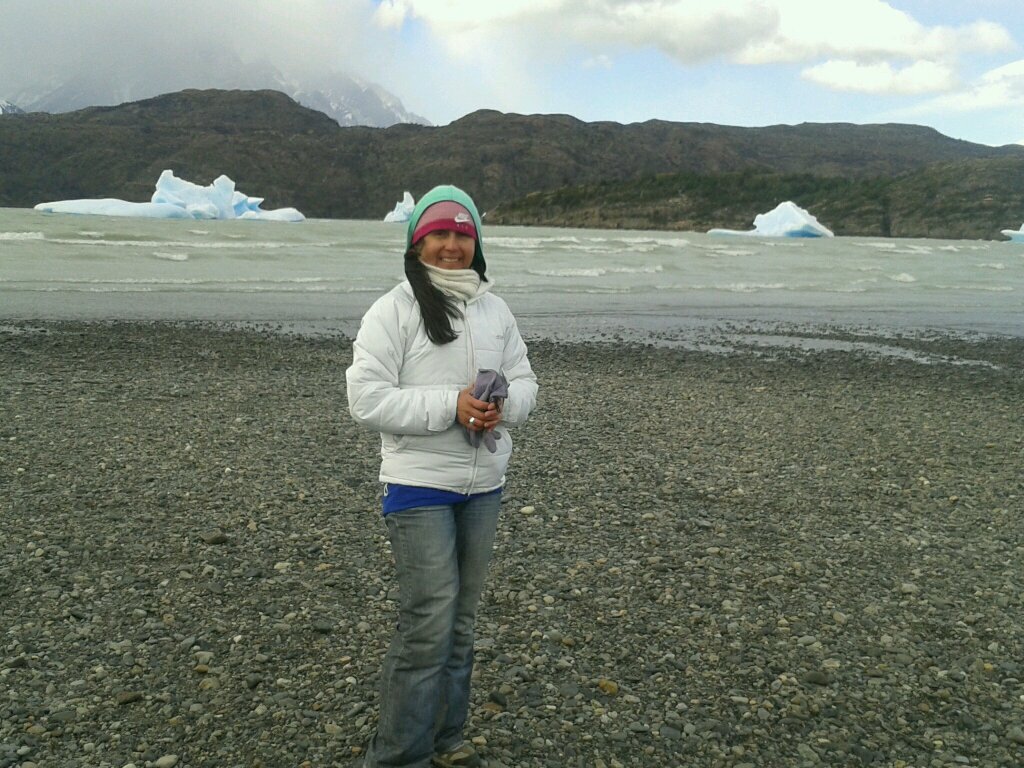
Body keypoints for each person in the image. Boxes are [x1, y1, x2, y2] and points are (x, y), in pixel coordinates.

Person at [346, 184, 538, 768]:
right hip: (419, 485)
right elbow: (365, 398)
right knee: (428, 622)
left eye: (462, 234)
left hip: (484, 485)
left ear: (475, 243)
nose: (451, 245)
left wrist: (504, 405)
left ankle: (447, 741)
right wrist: (450, 406)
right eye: (439, 233)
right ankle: (399, 756)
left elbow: (527, 382)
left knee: (461, 623)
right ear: (417, 241)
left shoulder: (494, 309)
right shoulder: (394, 310)